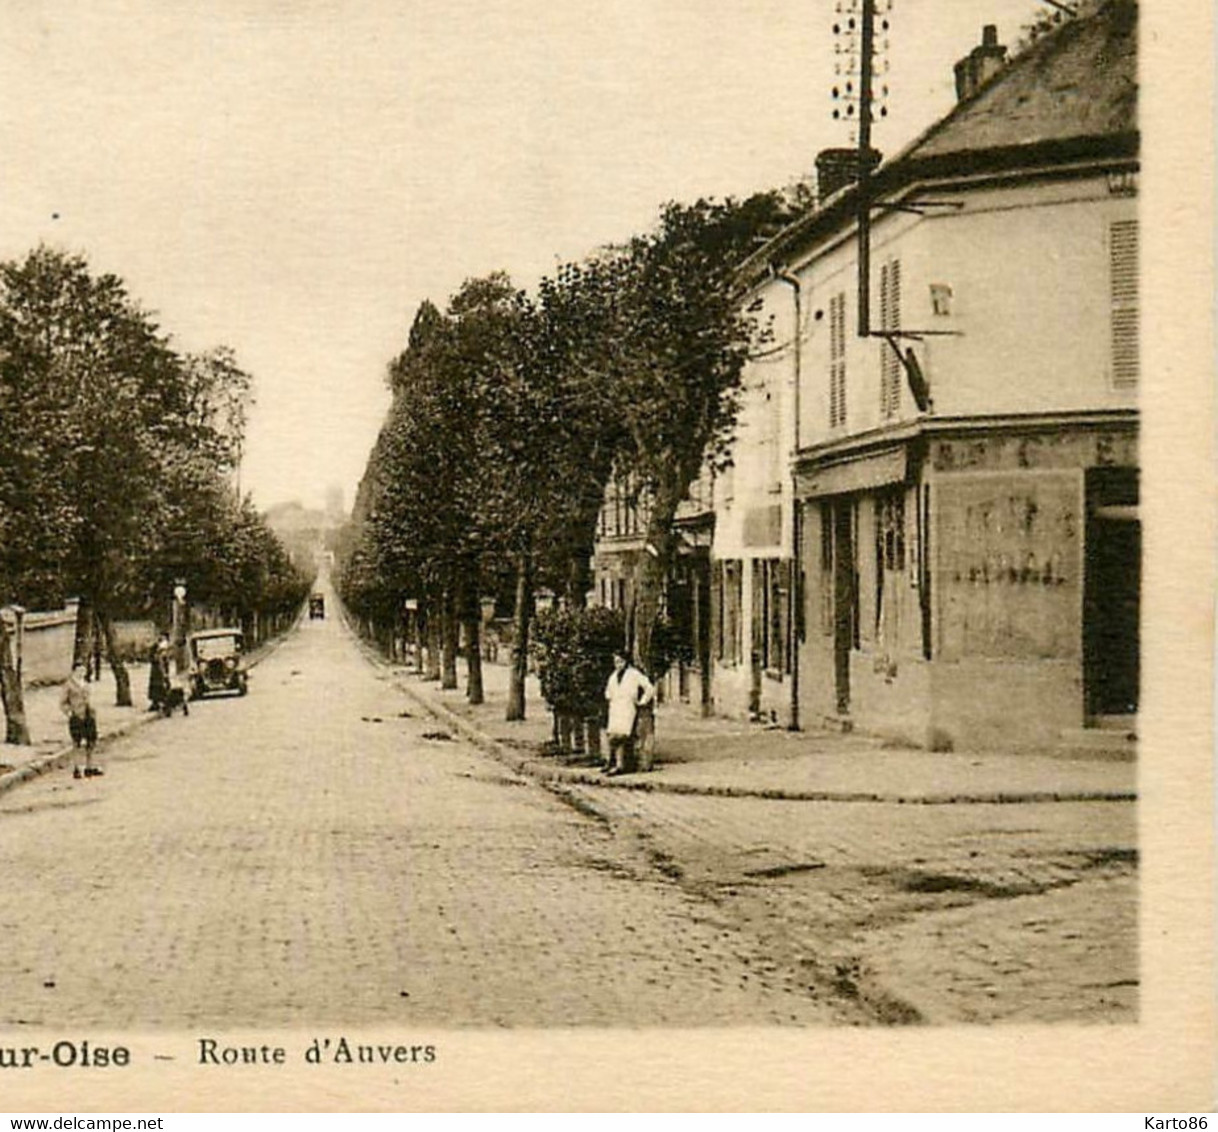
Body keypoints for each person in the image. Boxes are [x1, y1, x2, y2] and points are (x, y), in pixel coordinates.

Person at [603, 650, 654, 776]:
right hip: (615, 708)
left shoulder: (634, 674)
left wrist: (642, 701)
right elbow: (608, 691)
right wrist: (610, 697)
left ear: (626, 662)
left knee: (622, 736)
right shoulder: (614, 676)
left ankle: (620, 766)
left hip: (627, 707)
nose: (618, 665)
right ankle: (612, 762)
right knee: (612, 736)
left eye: (620, 662)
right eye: (616, 662)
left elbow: (649, 688)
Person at [61, 664, 101, 779]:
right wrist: (69, 713)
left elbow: (89, 699)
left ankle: (89, 767)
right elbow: (63, 702)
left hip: (88, 715)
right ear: (74, 671)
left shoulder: (86, 684)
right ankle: (77, 768)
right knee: (76, 742)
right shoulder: (69, 685)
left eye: (83, 670)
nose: (81, 673)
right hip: (77, 715)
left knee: (91, 741)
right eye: (79, 670)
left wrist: (93, 711)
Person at [147, 635, 170, 712]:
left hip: (160, 670)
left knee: (162, 686)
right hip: (157, 671)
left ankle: (164, 703)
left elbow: (165, 660)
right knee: (157, 686)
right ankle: (157, 703)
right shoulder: (157, 648)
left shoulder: (162, 648)